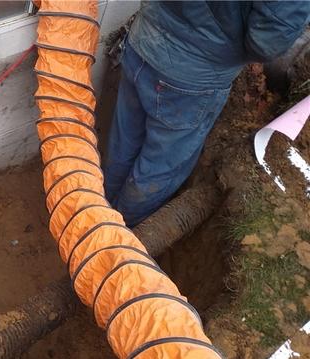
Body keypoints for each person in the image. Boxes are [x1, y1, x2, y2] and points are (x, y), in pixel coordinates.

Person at [104, 1, 310, 226]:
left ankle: (97, 212)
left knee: (124, 142)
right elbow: (267, 42)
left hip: (144, 40)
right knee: (159, 168)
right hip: (190, 78)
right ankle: (114, 235)